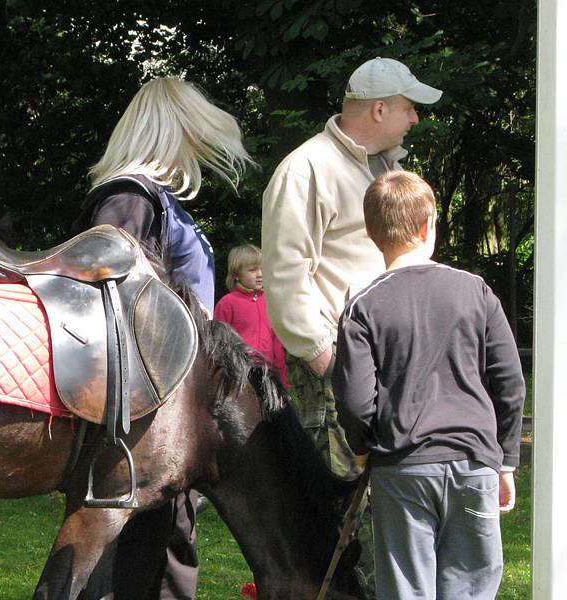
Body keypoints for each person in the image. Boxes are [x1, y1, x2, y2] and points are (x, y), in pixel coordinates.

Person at [74, 77, 252, 600]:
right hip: (149, 403)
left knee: (167, 542)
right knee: (141, 545)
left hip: (166, 398)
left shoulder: (150, 197)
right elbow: (113, 296)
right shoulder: (130, 196)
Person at [332, 171, 525, 599]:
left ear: (371, 233)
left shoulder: (362, 307)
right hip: (474, 464)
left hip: (403, 469)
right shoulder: (476, 291)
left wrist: (363, 449)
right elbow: (509, 381)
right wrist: (505, 461)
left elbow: (354, 399)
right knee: (471, 590)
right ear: (428, 226)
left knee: (406, 591)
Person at [261, 57, 443, 480]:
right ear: (379, 109)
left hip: (391, 362)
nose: (416, 118)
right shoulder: (305, 170)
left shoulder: (388, 168)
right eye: (409, 107)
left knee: (389, 501)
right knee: (341, 508)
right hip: (337, 366)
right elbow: (286, 277)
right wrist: (329, 361)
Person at [214, 244, 288, 389]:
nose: (260, 274)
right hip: (240, 376)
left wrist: (283, 380)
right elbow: (220, 343)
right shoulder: (227, 303)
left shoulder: (270, 301)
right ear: (236, 275)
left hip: (269, 375)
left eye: (262, 268)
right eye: (253, 270)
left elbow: (277, 342)